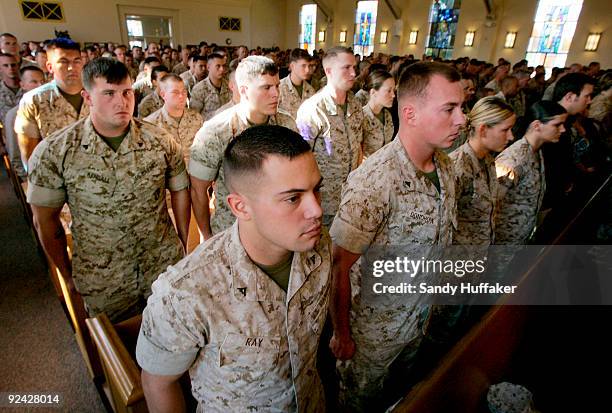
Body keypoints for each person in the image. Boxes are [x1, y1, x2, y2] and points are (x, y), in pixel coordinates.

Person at [136, 125, 330, 412]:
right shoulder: (186, 292)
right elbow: (158, 383)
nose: (316, 210)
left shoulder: (318, 247)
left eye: (316, 190)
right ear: (240, 207)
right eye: (293, 198)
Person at [329, 62, 464, 412]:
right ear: (410, 113)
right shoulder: (375, 181)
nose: (462, 119)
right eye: (449, 109)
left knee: (402, 396)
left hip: (419, 322)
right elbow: (338, 266)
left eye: (461, 108)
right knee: (361, 403)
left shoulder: (446, 168)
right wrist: (342, 333)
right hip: (373, 334)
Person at [26, 57, 190, 322]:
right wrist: (66, 276)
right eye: (109, 93)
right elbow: (44, 219)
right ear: (88, 97)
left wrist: (182, 242)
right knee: (114, 350)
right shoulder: (56, 151)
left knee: (174, 338)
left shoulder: (159, 140)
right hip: (103, 277)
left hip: (161, 265)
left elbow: (180, 190)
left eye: (127, 93)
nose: (121, 102)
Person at [189, 56, 297, 239]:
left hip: (276, 228)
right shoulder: (216, 131)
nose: (276, 94)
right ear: (244, 90)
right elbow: (199, 191)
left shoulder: (286, 124)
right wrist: (207, 238)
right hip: (231, 232)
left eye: (277, 86)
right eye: (266, 87)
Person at [296, 46, 364, 227]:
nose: (353, 73)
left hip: (350, 196)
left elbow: (358, 146)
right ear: (328, 71)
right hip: (324, 200)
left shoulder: (356, 105)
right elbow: (301, 158)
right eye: (346, 68)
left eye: (354, 67)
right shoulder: (313, 109)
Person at [495, 101, 567, 244]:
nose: (563, 129)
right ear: (537, 125)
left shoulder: (536, 151)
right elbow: (491, 202)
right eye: (557, 125)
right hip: (503, 243)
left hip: (520, 239)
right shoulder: (513, 159)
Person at [450, 97, 516, 245]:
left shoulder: (488, 160)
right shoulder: (458, 168)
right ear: (483, 130)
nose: (511, 136)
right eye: (505, 130)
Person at [15, 38, 90, 167]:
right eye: (64, 62)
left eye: (76, 61)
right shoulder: (34, 101)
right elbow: (29, 156)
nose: (72, 67)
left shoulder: (95, 93)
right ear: (50, 67)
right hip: (54, 179)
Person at [144, 73, 203, 166]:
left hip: (194, 175)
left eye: (184, 92)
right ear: (163, 95)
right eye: (175, 93)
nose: (181, 96)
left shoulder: (196, 118)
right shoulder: (151, 124)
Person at [4, 66, 45, 179]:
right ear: (22, 85)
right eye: (34, 82)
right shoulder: (14, 115)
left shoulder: (51, 108)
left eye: (42, 81)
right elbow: (16, 157)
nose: (40, 86)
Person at [361, 69, 395, 158]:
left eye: (393, 90)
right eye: (389, 91)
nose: (393, 95)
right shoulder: (361, 117)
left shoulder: (387, 115)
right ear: (373, 92)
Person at [189, 52, 230, 120]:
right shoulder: (199, 89)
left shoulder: (229, 85)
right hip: (208, 128)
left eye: (224, 66)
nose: (222, 69)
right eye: (218, 66)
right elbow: (194, 116)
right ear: (208, 67)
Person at [278, 48, 315, 119]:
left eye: (309, 66)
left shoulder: (310, 90)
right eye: (303, 66)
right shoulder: (279, 88)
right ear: (292, 66)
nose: (307, 70)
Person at [0, 52, 22, 125]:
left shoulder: (29, 88)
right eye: (6, 65)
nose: (11, 68)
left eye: (13, 65)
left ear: (18, 66)